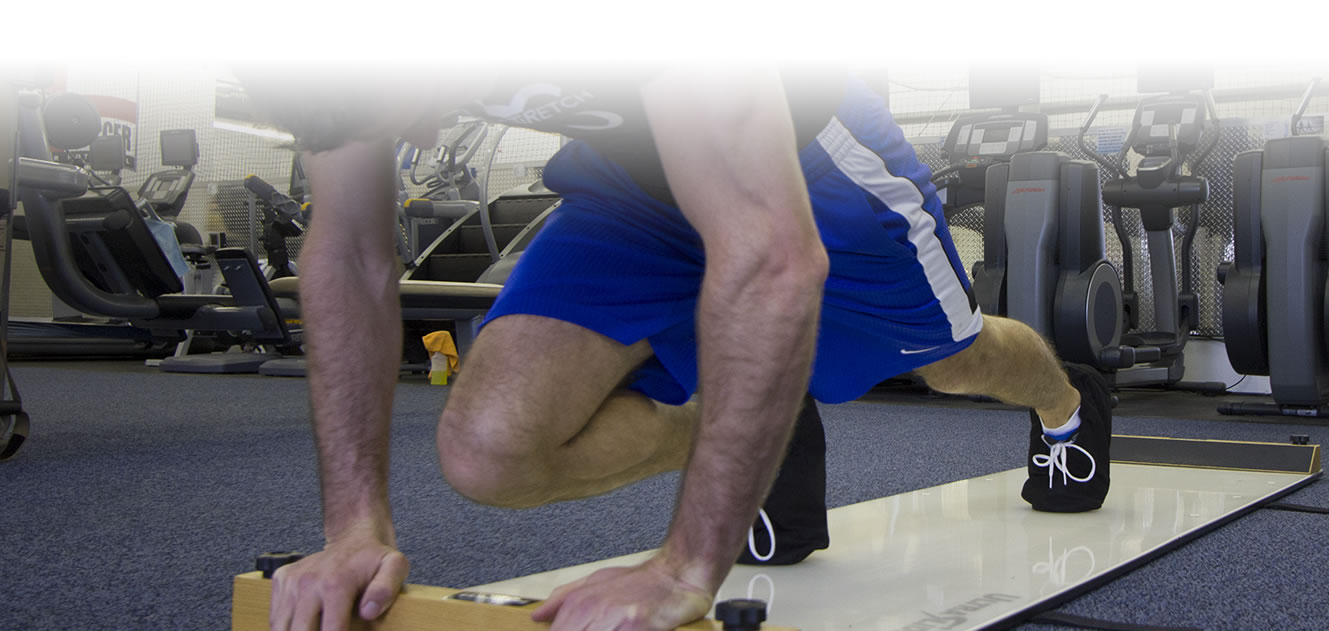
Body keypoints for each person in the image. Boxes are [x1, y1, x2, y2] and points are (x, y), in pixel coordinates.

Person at [243, 64, 1115, 631]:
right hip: (632, 186)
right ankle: (752, 419)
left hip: (810, 166)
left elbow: (773, 252)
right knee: (489, 449)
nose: (425, 141)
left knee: (950, 363)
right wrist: (352, 529)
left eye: (410, 109)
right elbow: (352, 249)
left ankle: (1066, 401)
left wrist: (685, 565)